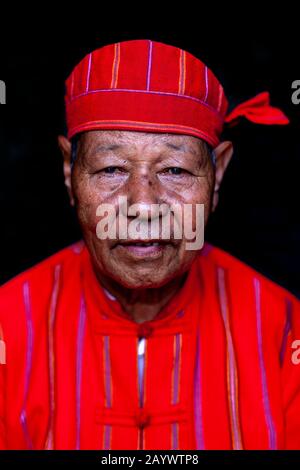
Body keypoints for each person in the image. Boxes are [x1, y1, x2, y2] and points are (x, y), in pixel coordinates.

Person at [0, 39, 299, 450]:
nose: (142, 204)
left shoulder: (285, 330)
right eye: (111, 168)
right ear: (70, 171)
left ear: (218, 174)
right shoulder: (8, 324)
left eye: (175, 169)